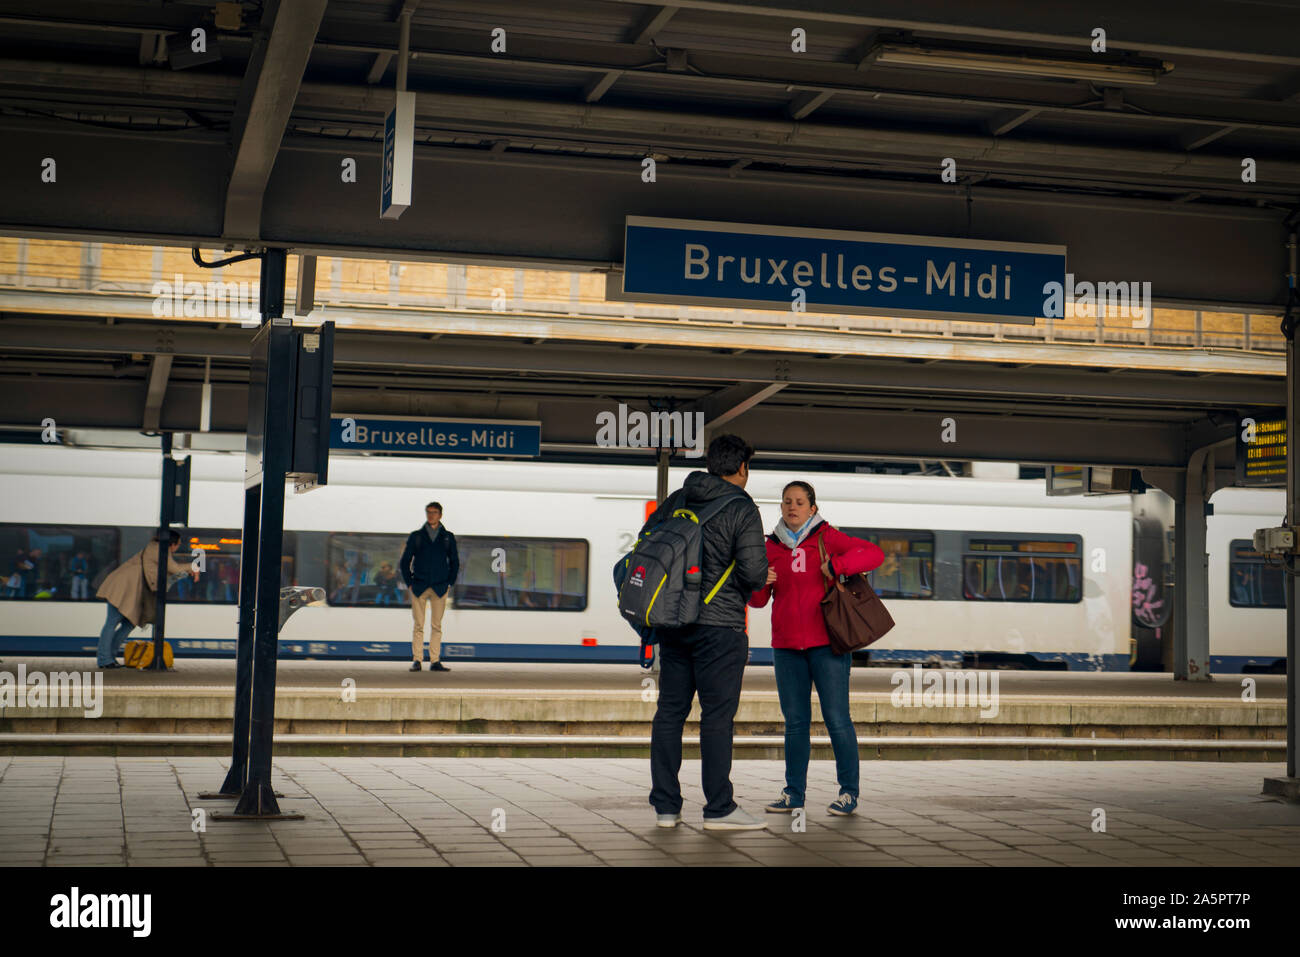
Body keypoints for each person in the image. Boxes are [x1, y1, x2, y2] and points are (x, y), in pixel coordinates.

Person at [646, 434, 769, 830]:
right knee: (716, 717)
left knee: (670, 713)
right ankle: (719, 809)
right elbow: (751, 574)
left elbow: (647, 541)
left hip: (674, 621)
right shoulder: (741, 507)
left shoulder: (679, 498)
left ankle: (666, 807)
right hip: (720, 627)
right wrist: (763, 575)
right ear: (742, 467)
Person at [749, 480, 884, 816]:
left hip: (829, 646)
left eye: (798, 502)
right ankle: (794, 793)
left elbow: (874, 553)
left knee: (837, 719)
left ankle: (848, 793)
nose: (791, 507)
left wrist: (838, 566)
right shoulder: (770, 547)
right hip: (786, 647)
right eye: (786, 502)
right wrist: (759, 583)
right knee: (795, 723)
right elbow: (758, 602)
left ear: (812, 508)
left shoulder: (827, 537)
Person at [94, 531, 198, 669]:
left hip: (131, 592)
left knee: (128, 625)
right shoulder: (158, 549)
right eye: (178, 544)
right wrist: (193, 567)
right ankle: (104, 660)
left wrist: (186, 571)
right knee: (112, 623)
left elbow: (168, 574)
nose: (178, 547)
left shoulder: (157, 549)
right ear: (172, 544)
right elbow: (174, 568)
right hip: (121, 589)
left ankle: (110, 658)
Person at [400, 501, 459, 672]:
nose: (430, 515)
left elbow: (455, 561)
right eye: (428, 512)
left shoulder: (448, 537)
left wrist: (450, 582)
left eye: (434, 512)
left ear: (440, 515)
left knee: (436, 626)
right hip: (419, 585)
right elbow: (405, 561)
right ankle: (417, 660)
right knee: (418, 625)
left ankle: (435, 660)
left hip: (440, 587)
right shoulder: (416, 536)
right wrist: (409, 582)